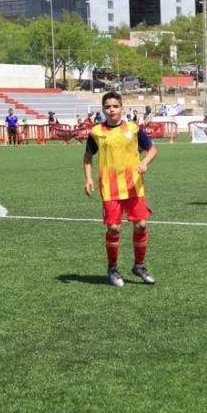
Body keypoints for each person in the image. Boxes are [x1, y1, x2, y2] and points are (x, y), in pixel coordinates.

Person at [82, 91, 158, 287]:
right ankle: (113, 268)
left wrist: (145, 163)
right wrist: (88, 178)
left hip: (134, 186)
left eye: (115, 106)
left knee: (141, 225)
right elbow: (88, 156)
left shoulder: (133, 128)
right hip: (109, 188)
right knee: (114, 228)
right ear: (103, 110)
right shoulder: (97, 132)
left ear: (122, 108)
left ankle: (139, 266)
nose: (111, 110)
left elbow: (152, 149)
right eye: (108, 107)